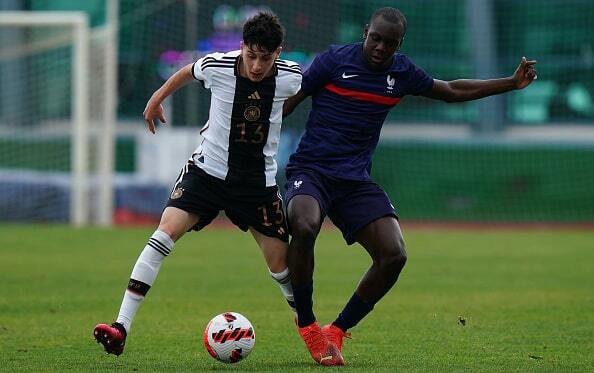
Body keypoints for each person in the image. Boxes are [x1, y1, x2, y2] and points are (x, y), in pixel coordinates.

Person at [282, 7, 537, 366]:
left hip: (354, 181)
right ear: (366, 31)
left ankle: (336, 331)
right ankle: (307, 324)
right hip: (311, 171)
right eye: (376, 38)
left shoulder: (401, 72)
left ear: (399, 44)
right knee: (305, 225)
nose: (381, 47)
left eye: (390, 43)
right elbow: (287, 105)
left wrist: (510, 83)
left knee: (394, 255)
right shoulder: (332, 61)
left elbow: (450, 90)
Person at [93, 12, 303, 357]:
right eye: (251, 55)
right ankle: (120, 327)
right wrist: (156, 98)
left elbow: (316, 85)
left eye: (265, 58)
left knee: (281, 266)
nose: (256, 66)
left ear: (278, 53)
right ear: (242, 48)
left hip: (256, 185)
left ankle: (310, 331)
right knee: (164, 232)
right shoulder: (218, 66)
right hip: (207, 173)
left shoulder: (291, 77)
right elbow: (187, 72)